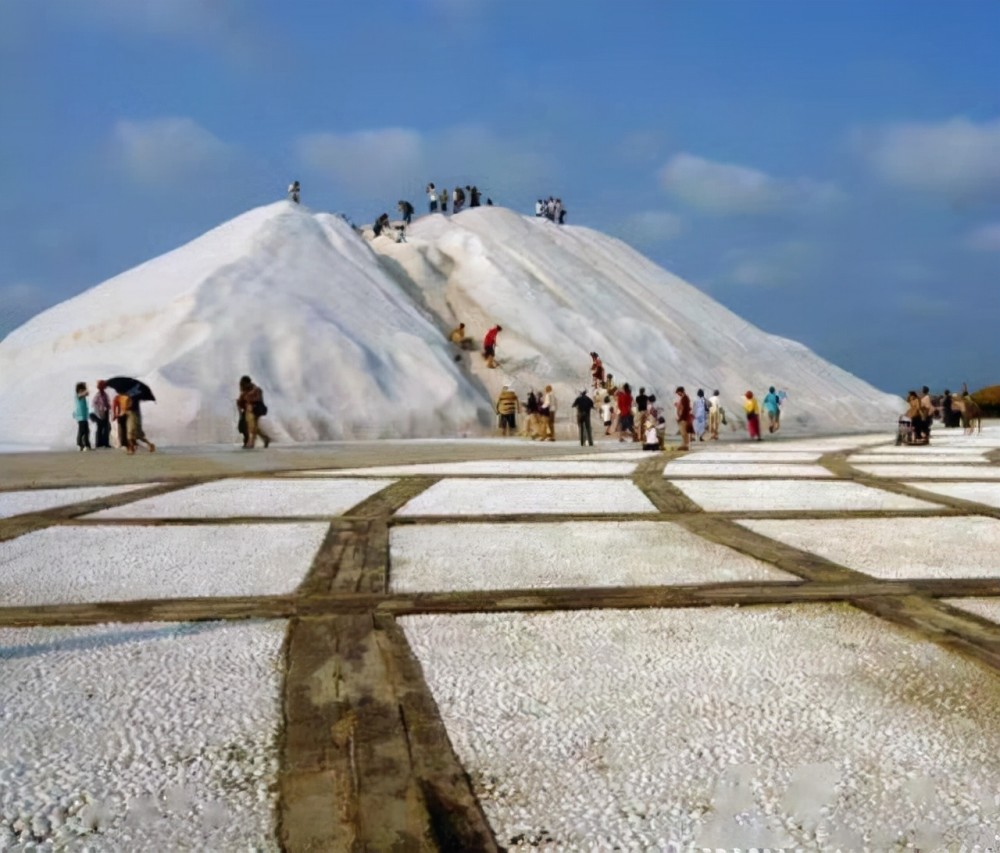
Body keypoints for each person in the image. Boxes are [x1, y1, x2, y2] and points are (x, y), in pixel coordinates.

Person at [237, 375, 271, 449]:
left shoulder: (256, 390)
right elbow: (239, 403)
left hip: (257, 409)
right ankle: (265, 438)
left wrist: (247, 400)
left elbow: (257, 400)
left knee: (251, 425)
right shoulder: (244, 391)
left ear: (248, 383)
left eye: (243, 384)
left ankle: (251, 442)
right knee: (251, 426)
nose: (242, 386)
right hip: (249, 410)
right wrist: (240, 415)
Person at [126, 389, 156, 454]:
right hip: (134, 415)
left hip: (133, 415)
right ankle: (148, 445)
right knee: (136, 435)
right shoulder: (135, 394)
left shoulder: (132, 395)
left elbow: (131, 406)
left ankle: (132, 449)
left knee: (131, 434)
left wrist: (126, 407)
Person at [91, 380, 112, 449]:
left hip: (105, 412)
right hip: (99, 413)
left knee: (106, 428)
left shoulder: (104, 394)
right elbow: (94, 404)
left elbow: (107, 402)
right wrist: (99, 410)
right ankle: (99, 443)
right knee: (100, 428)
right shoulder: (98, 395)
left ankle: (105, 443)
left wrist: (108, 406)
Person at [73, 382, 92, 451]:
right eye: (82, 389)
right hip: (81, 417)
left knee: (86, 431)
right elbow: (85, 393)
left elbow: (87, 394)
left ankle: (86, 444)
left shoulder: (82, 396)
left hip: (84, 417)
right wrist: (86, 388)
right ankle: (80, 444)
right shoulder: (78, 396)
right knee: (82, 431)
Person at [675, 386, 692, 451]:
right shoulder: (684, 398)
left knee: (683, 432)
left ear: (680, 391)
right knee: (683, 432)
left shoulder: (685, 398)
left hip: (683, 418)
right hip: (683, 417)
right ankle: (685, 444)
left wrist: (681, 418)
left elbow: (685, 409)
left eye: (678, 393)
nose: (678, 394)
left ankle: (685, 445)